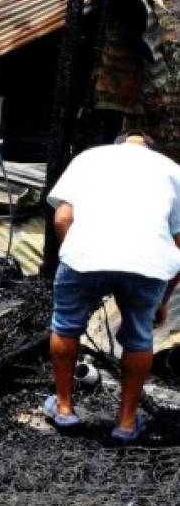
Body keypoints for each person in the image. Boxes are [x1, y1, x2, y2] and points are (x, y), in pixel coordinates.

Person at [45, 131, 180, 441]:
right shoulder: (172, 169)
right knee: (139, 336)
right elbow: (179, 241)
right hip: (148, 261)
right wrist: (164, 299)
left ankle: (64, 409)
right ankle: (127, 423)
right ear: (151, 149)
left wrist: (76, 256)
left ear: (117, 145)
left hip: (84, 255)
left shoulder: (89, 157)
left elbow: (62, 218)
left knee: (66, 326)